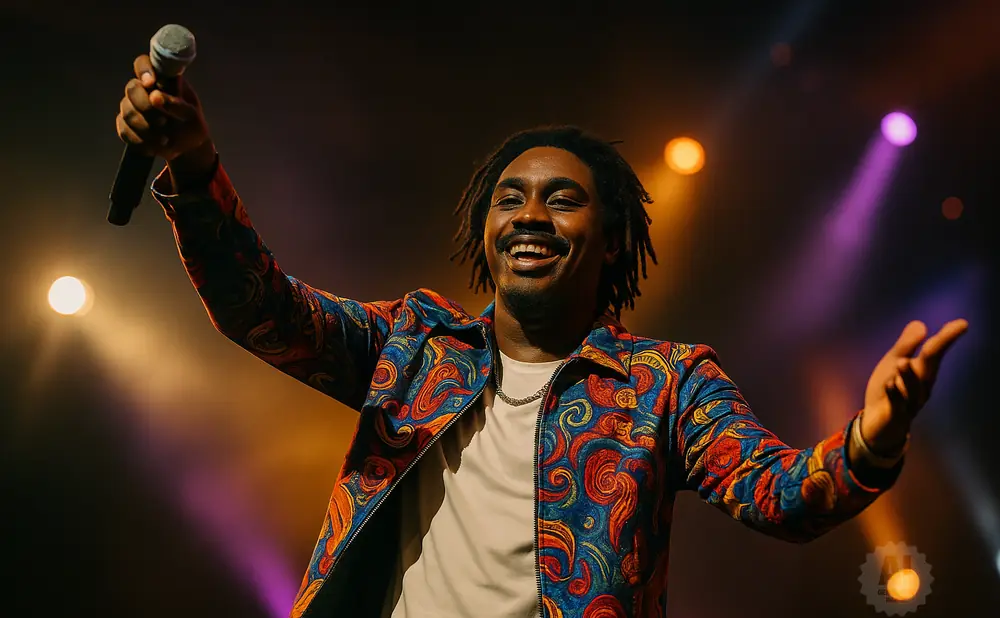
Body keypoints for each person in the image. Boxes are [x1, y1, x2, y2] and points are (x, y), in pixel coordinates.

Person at [115, 53, 968, 618]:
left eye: (562, 199)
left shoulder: (665, 384)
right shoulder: (415, 347)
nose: (529, 213)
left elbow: (780, 497)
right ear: (485, 233)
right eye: (510, 197)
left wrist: (872, 440)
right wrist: (194, 165)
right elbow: (257, 307)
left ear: (610, 240)